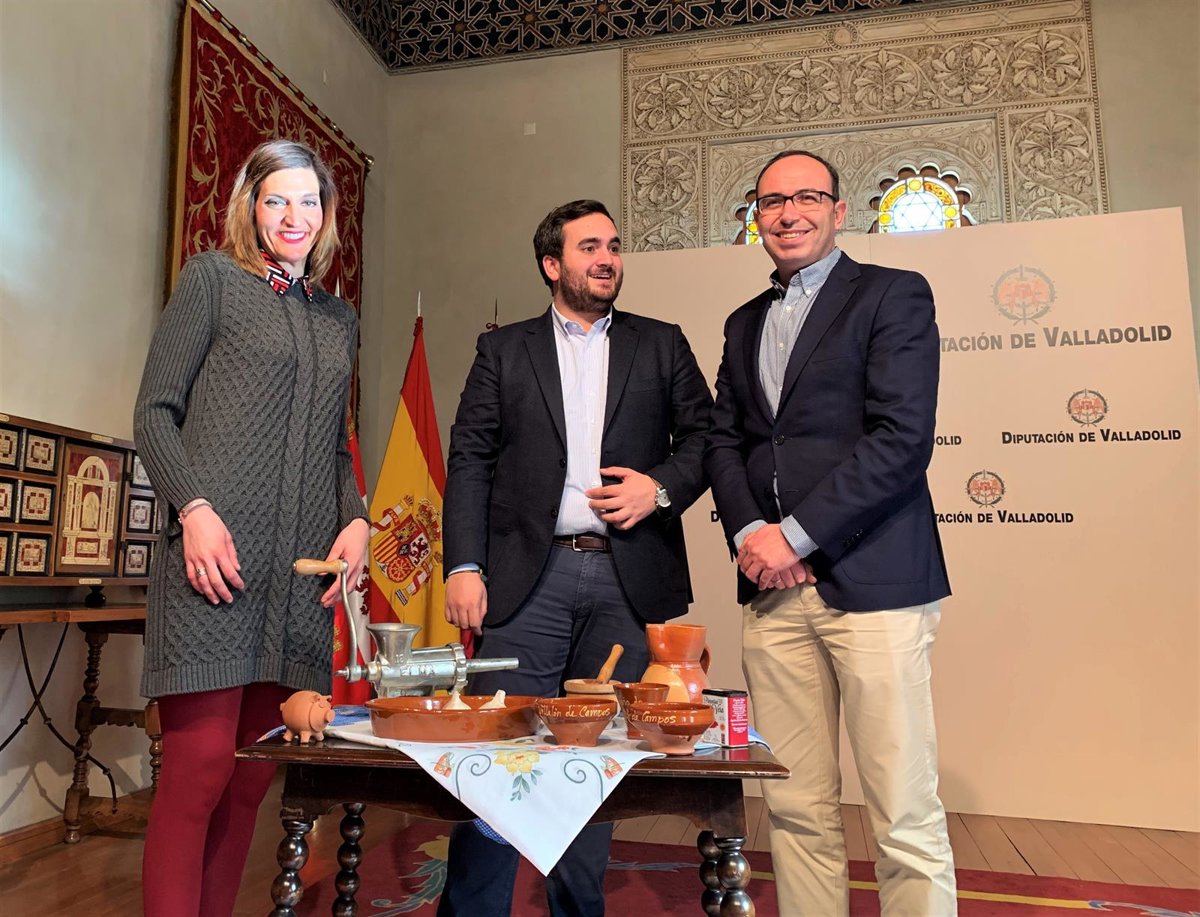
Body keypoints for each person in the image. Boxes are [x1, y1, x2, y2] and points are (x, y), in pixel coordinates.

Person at [438, 199, 712, 917]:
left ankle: (577, 909)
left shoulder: (662, 344)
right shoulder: (504, 350)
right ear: (551, 265)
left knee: (598, 764)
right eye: (590, 246)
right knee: (497, 758)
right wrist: (463, 564)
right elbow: (469, 459)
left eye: (614, 245)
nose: (607, 258)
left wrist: (659, 488)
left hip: (629, 579)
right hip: (528, 581)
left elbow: (706, 439)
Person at [704, 150, 957, 915]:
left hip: (874, 580)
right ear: (757, 216)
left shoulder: (892, 294)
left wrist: (797, 535)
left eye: (807, 197)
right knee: (794, 808)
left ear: (839, 211)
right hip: (772, 594)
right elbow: (725, 441)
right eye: (772, 201)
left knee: (903, 814)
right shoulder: (743, 321)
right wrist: (752, 532)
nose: (789, 213)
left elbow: (901, 439)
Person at [134, 139, 369, 917]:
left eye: (308, 201)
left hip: (296, 584)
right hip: (212, 566)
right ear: (251, 207)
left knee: (249, 781)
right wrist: (193, 509)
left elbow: (336, 446)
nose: (293, 216)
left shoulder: (338, 319)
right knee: (198, 771)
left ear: (326, 215)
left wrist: (356, 517)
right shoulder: (210, 280)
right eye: (276, 199)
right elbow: (154, 413)